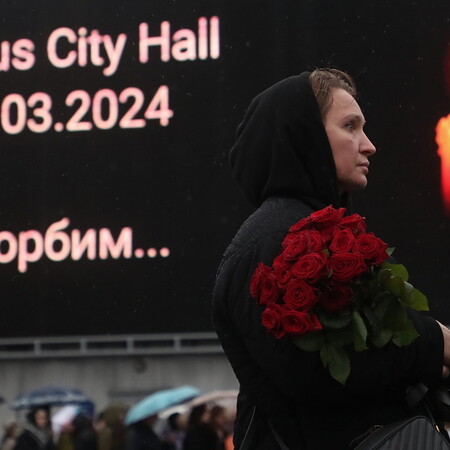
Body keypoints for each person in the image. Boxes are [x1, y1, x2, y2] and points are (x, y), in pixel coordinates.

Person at [212, 68, 450, 449]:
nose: (369, 145)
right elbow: (319, 375)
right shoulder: (273, 239)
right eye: (350, 126)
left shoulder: (293, 229)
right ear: (304, 137)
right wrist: (431, 341)